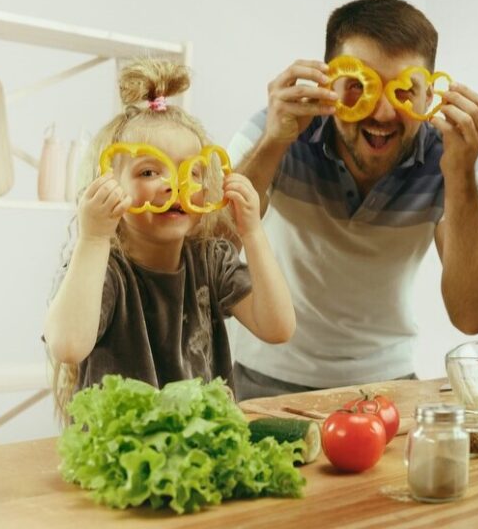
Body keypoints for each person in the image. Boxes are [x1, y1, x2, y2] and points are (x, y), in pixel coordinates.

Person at [228, 0, 478, 399]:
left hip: (387, 382)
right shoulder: (276, 129)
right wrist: (274, 141)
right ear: (328, 82)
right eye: (359, 85)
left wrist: (458, 175)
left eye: (403, 92)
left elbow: (473, 315)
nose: (381, 113)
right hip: (263, 373)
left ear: (430, 97)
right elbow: (212, 250)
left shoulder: (461, 161)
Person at [44, 59, 295, 418]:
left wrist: (252, 233)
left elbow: (279, 327)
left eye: (190, 171)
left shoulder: (211, 259)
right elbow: (67, 346)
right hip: (123, 455)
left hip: (197, 450)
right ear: (108, 183)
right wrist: (93, 238)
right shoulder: (103, 266)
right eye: (149, 170)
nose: (172, 185)